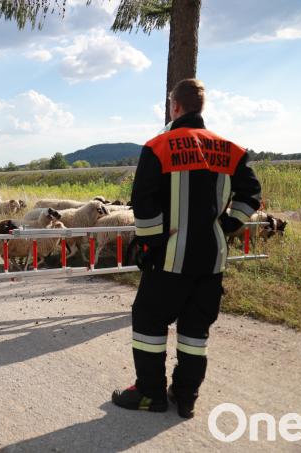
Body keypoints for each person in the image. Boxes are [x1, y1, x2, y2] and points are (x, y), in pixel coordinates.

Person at [111, 79, 262, 418]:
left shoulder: (158, 147)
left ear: (174, 106)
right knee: (195, 331)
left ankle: (150, 394)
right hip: (211, 260)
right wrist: (226, 226)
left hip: (169, 259)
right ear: (201, 108)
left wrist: (149, 245)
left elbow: (144, 202)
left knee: (149, 322)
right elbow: (251, 194)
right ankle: (186, 395)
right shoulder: (232, 151)